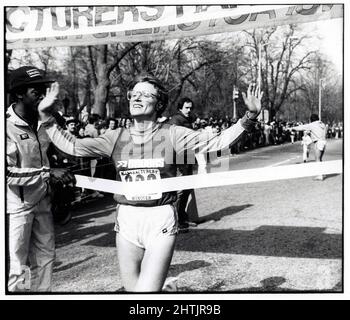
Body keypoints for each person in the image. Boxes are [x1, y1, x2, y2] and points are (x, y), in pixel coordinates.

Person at [38, 73, 263, 292]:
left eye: (145, 95)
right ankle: (167, 288)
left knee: (144, 294)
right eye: (134, 94)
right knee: (132, 289)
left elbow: (218, 141)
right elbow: (73, 146)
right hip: (127, 219)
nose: (137, 98)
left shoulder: (173, 134)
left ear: (158, 104)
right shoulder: (115, 137)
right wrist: (46, 116)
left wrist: (250, 116)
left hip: (160, 218)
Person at [6, 66, 75, 291]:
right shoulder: (6, 125)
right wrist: (48, 173)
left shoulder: (44, 120)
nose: (42, 96)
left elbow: (64, 149)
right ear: (18, 94)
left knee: (46, 256)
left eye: (44, 90)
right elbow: (7, 173)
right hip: (17, 207)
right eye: (36, 91)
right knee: (18, 263)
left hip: (43, 201)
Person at [168, 98, 197, 231]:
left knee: (187, 188)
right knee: (181, 190)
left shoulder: (188, 120)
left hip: (188, 156)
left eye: (190, 108)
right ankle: (177, 220)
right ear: (180, 108)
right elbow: (171, 141)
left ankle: (182, 216)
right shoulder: (176, 121)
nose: (189, 110)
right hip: (180, 158)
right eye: (186, 108)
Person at [290, 114, 327, 180]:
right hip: (324, 141)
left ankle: (319, 175)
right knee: (320, 158)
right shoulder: (322, 124)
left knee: (317, 159)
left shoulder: (312, 124)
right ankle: (322, 173)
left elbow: (302, 127)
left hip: (318, 142)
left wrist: (293, 128)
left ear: (311, 119)